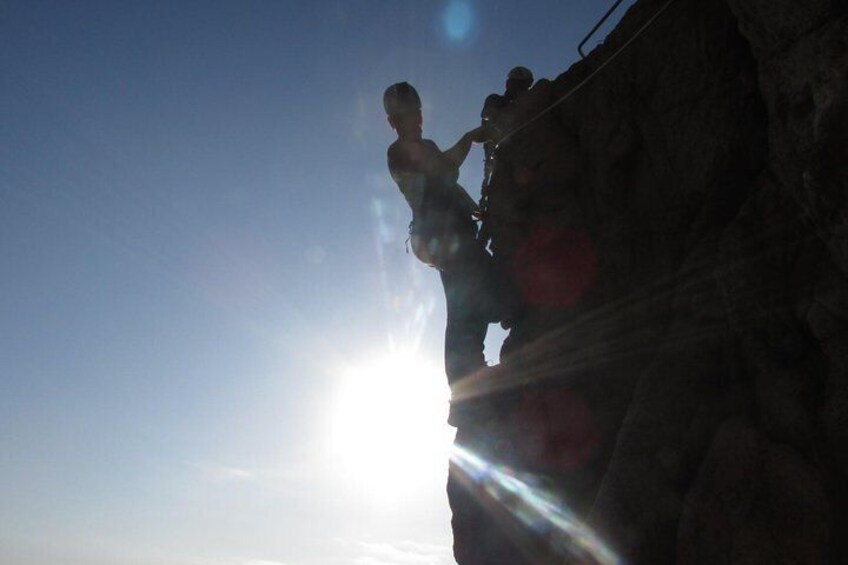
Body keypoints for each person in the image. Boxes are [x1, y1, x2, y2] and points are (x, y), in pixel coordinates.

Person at [383, 82, 510, 424]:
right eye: (411, 113)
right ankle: (467, 390)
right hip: (441, 237)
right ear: (394, 121)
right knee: (469, 303)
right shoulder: (398, 153)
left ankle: (470, 385)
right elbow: (443, 171)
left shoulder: (425, 146)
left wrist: (476, 209)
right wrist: (470, 137)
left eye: (419, 111)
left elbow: (449, 184)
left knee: (471, 300)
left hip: (452, 234)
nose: (419, 118)